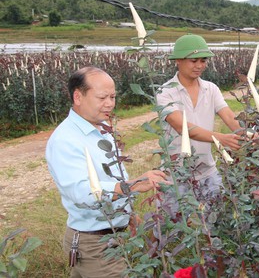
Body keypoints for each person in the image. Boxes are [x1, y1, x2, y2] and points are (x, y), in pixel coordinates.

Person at [46, 66, 170, 277]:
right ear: (78, 96)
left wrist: (128, 215)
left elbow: (109, 178)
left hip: (113, 235)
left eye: (113, 96)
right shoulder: (65, 140)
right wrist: (131, 186)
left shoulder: (102, 129)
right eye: (102, 97)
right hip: (94, 244)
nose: (110, 103)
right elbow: (82, 192)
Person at [156, 33, 244, 196]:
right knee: (176, 219)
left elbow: (230, 117)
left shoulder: (211, 89)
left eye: (203, 60)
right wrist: (219, 138)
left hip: (207, 171)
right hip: (175, 174)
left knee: (218, 217)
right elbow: (182, 127)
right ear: (178, 60)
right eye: (193, 60)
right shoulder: (165, 92)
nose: (199, 65)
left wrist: (248, 134)